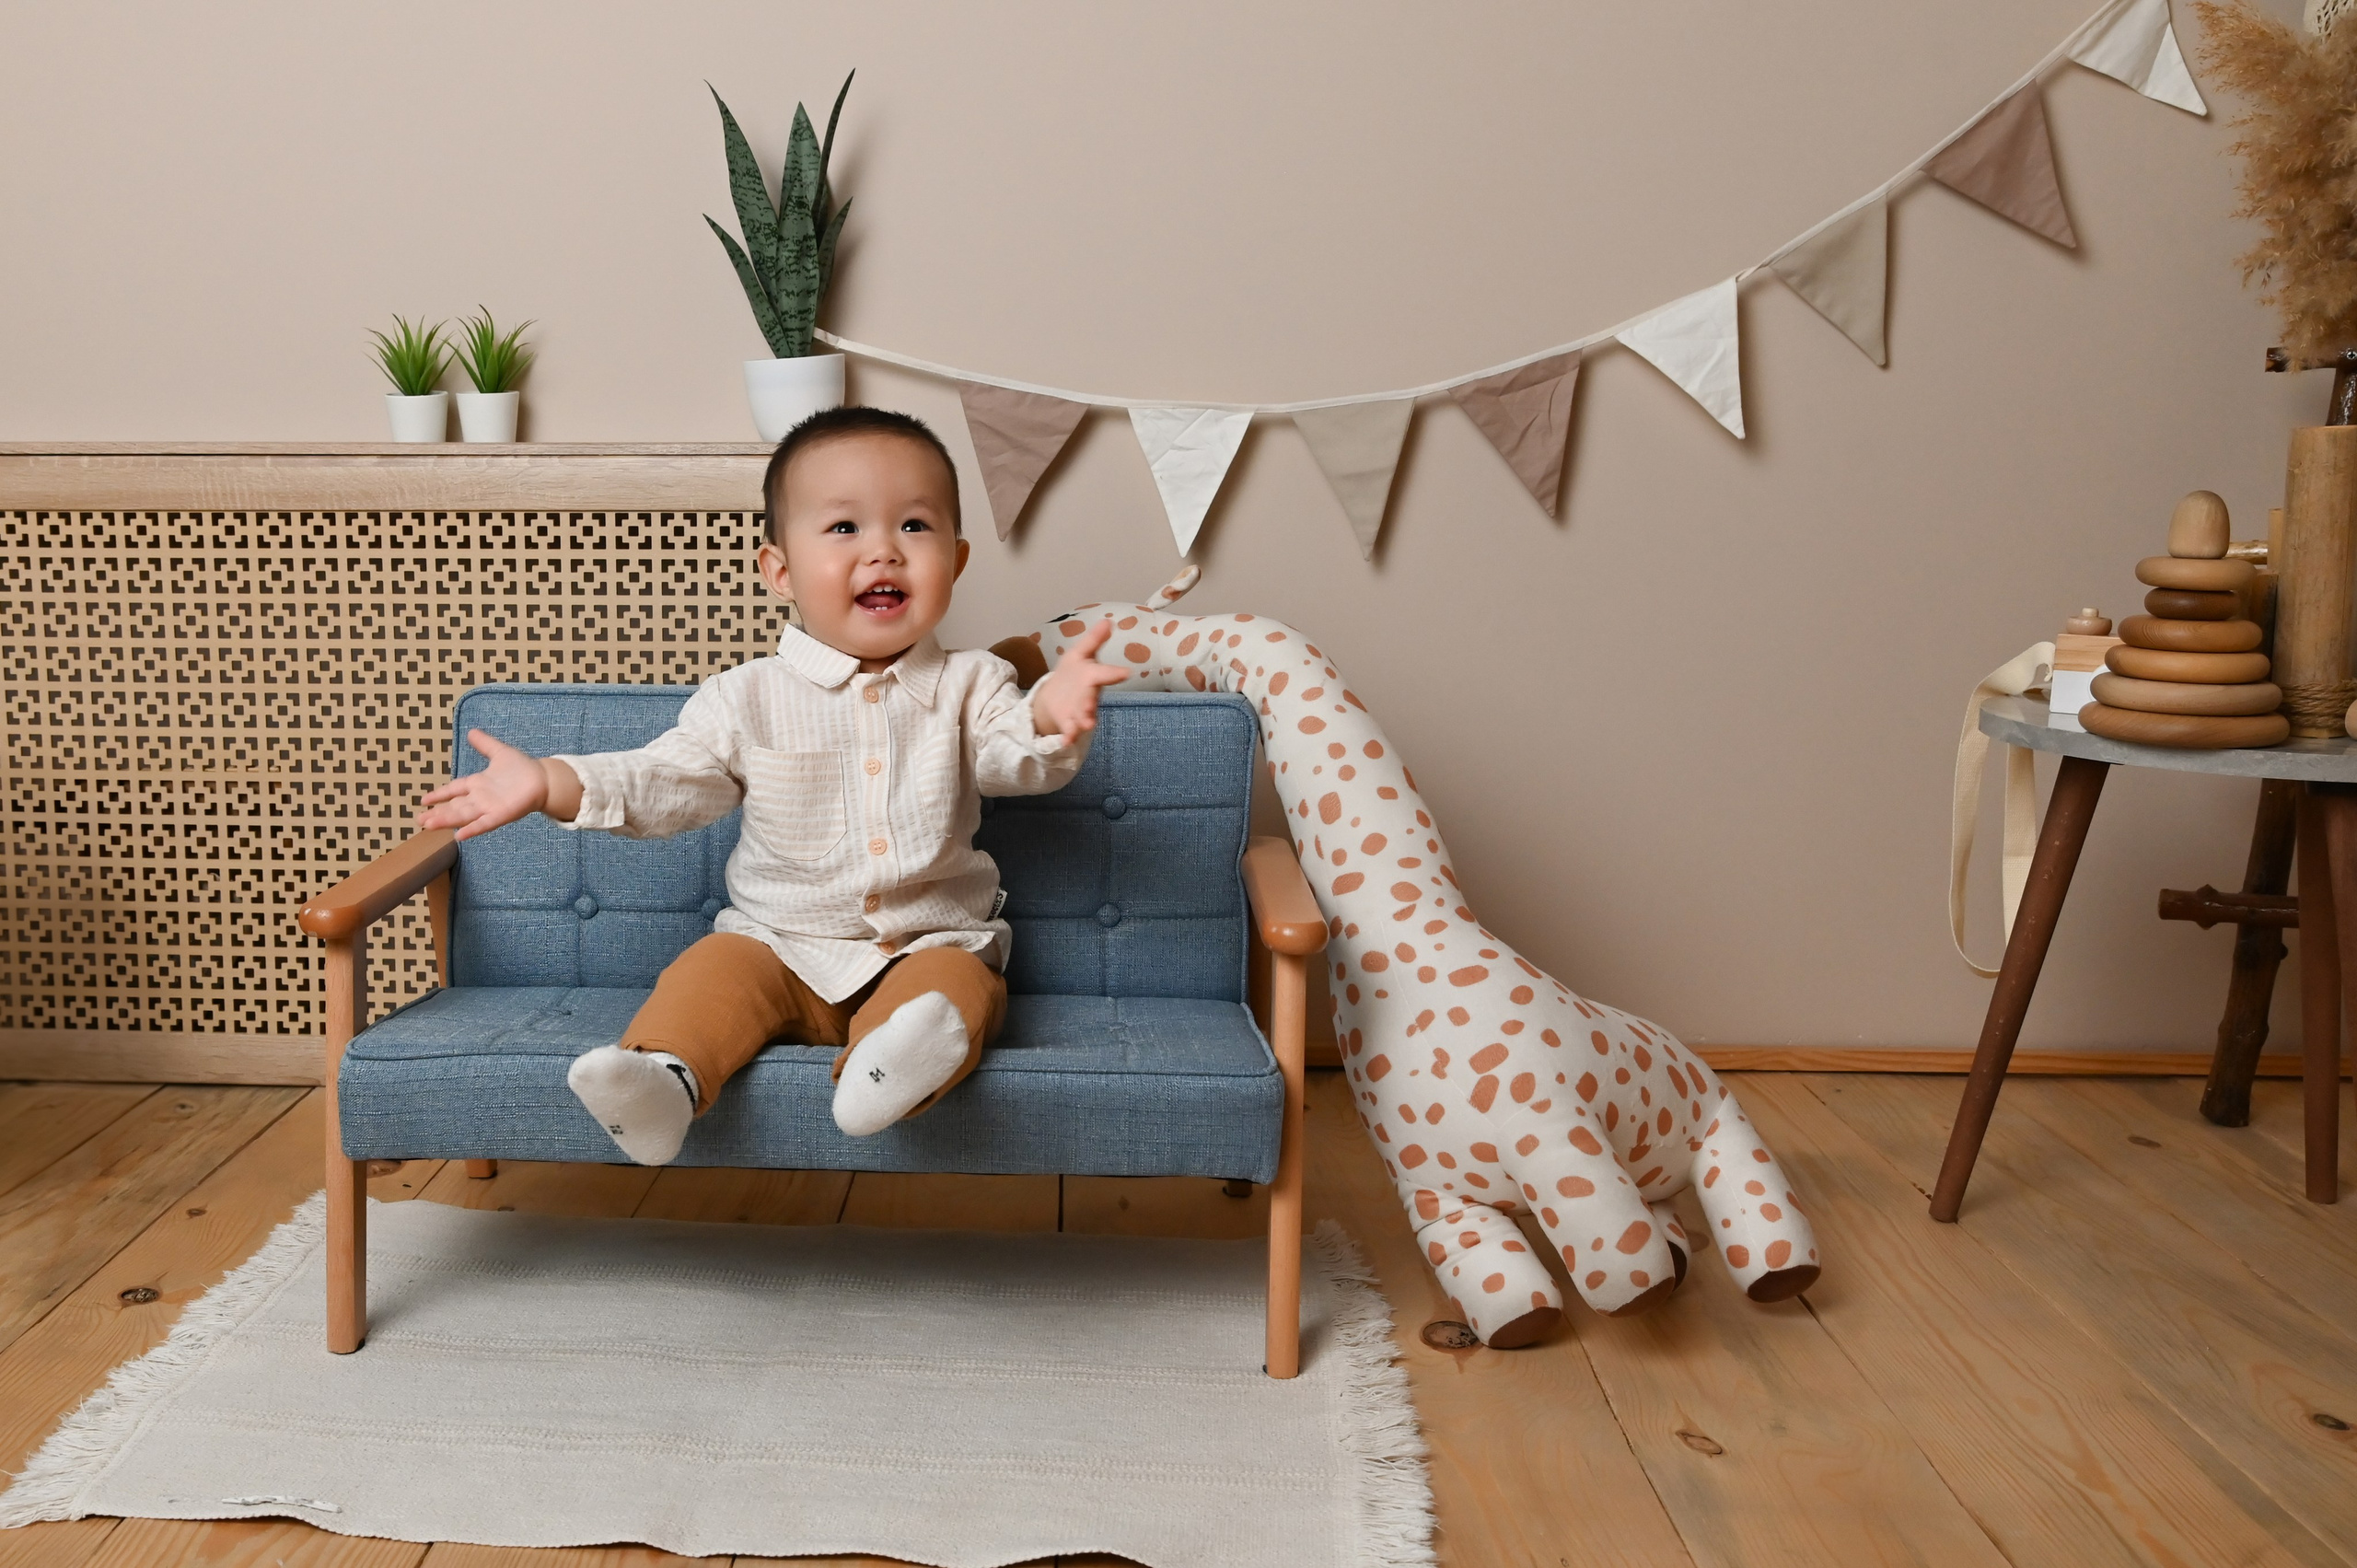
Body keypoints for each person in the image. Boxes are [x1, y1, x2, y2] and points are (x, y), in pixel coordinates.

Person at [416, 406, 1128, 1163]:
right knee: (712, 969)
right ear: (780, 571)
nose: (884, 550)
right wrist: (554, 779)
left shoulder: (976, 682)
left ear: (955, 561)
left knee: (959, 985)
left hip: (924, 943)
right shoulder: (744, 696)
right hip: (780, 950)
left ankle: (883, 1071)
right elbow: (669, 779)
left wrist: (1051, 714)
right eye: (845, 528)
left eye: (914, 527)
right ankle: (663, 1081)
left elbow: (1010, 758)